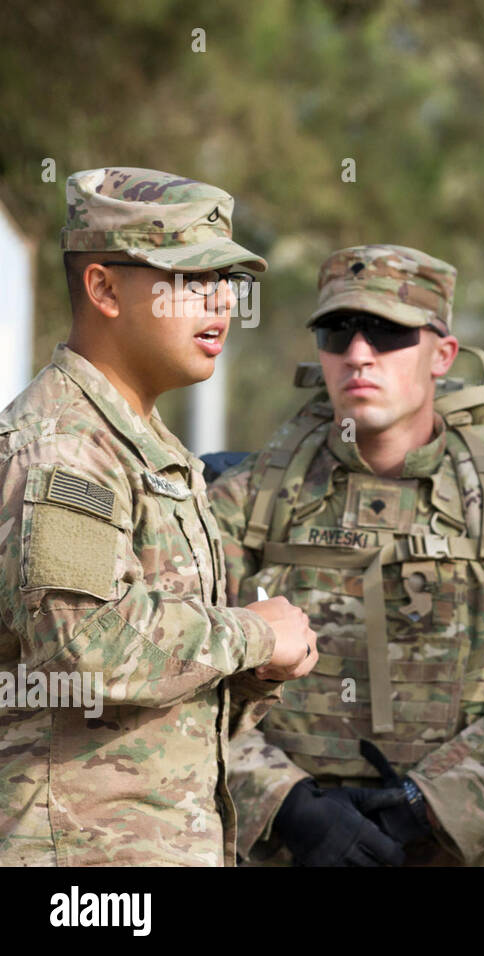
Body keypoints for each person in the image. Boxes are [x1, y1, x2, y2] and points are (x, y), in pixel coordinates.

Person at [209, 244, 484, 866]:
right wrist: (288, 806)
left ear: (442, 354)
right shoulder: (245, 503)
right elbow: (184, 681)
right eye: (337, 331)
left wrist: (427, 803)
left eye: (388, 332)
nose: (358, 354)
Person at [0, 167, 318, 866]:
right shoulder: (67, 447)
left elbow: (159, 703)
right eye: (191, 278)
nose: (221, 304)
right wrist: (253, 637)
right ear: (104, 289)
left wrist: (255, 674)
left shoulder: (149, 449)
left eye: (227, 281)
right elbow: (86, 647)